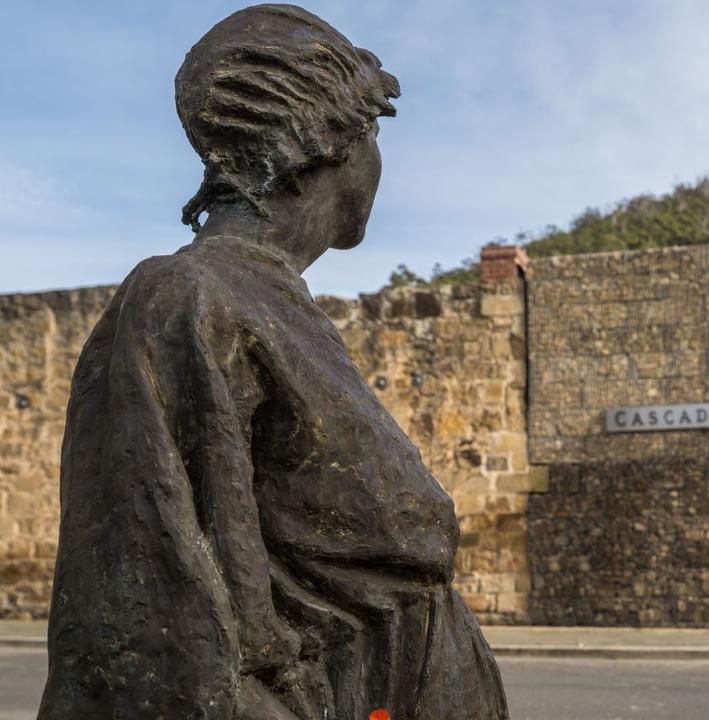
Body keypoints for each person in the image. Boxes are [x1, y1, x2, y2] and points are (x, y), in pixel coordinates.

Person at [37, 5, 508, 718]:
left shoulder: (277, 300)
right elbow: (143, 606)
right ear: (326, 139)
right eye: (373, 132)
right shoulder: (187, 295)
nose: (378, 159)